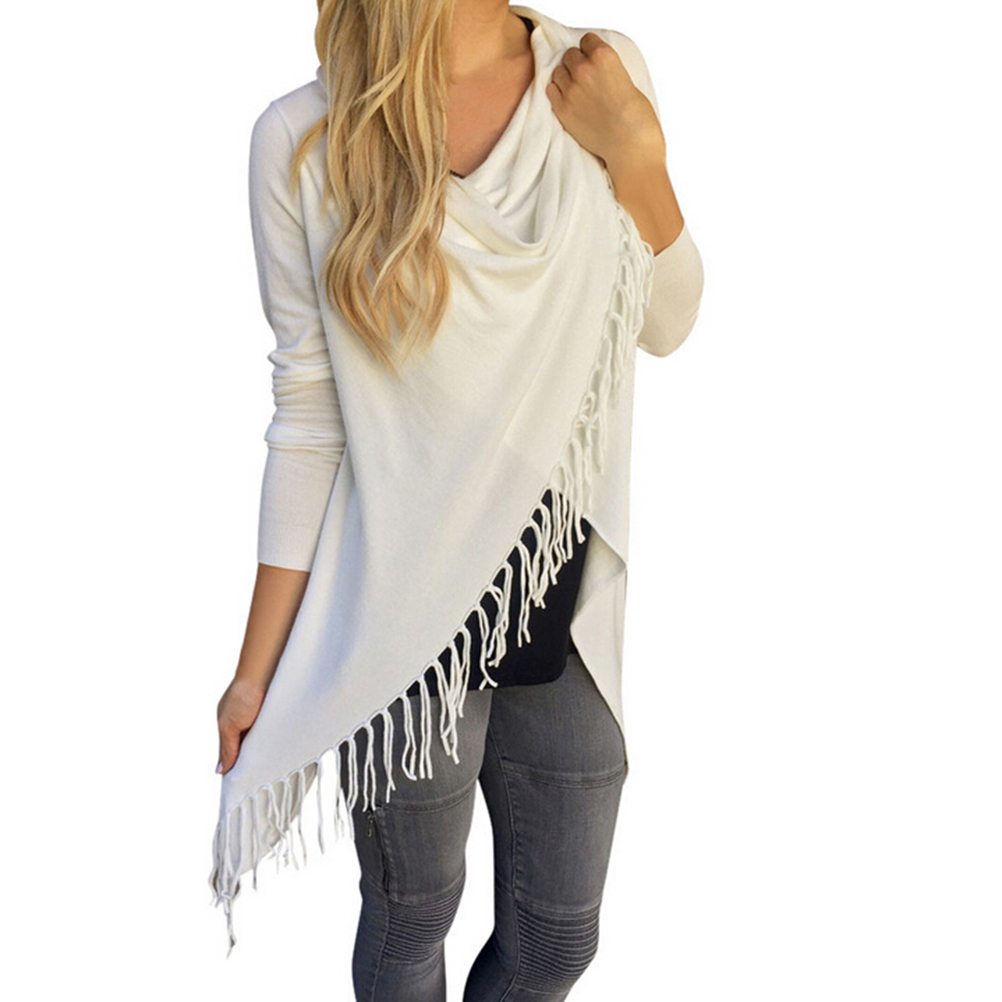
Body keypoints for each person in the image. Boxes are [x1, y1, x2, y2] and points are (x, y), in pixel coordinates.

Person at [210, 2, 704, 998]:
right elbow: (309, 417)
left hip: (556, 595)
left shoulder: (596, 74)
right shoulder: (304, 136)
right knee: (410, 920)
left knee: (558, 943)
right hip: (402, 626)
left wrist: (637, 154)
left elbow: (667, 323)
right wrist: (254, 673)